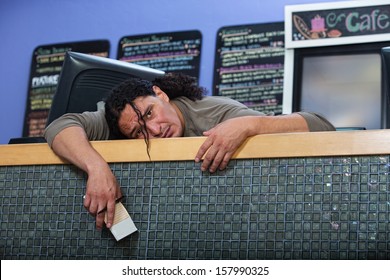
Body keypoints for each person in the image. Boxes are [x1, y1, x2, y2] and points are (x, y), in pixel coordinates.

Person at [44, 72, 335, 230]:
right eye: (138, 132)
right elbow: (60, 126)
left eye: (149, 113)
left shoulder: (213, 112)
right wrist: (97, 168)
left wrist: (248, 125)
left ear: (161, 94)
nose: (154, 130)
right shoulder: (119, 118)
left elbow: (322, 127)